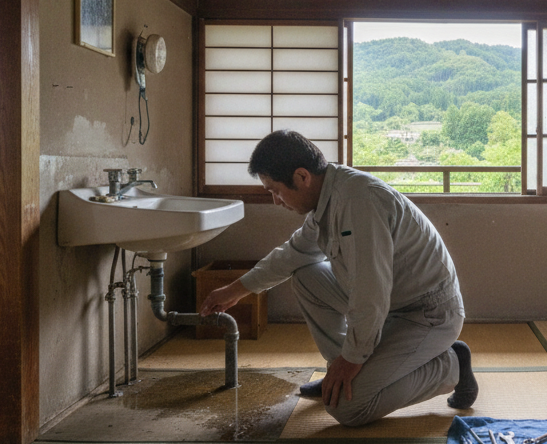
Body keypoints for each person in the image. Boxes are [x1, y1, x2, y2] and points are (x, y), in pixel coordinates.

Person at [199, 130, 478, 426]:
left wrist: (354, 359)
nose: (276, 201)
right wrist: (235, 290)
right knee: (306, 276)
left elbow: (370, 295)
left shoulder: (358, 201)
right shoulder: (326, 200)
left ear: (302, 176)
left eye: (276, 191)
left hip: (427, 314)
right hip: (390, 305)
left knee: (349, 409)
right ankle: (338, 373)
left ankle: (451, 366)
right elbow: (292, 255)